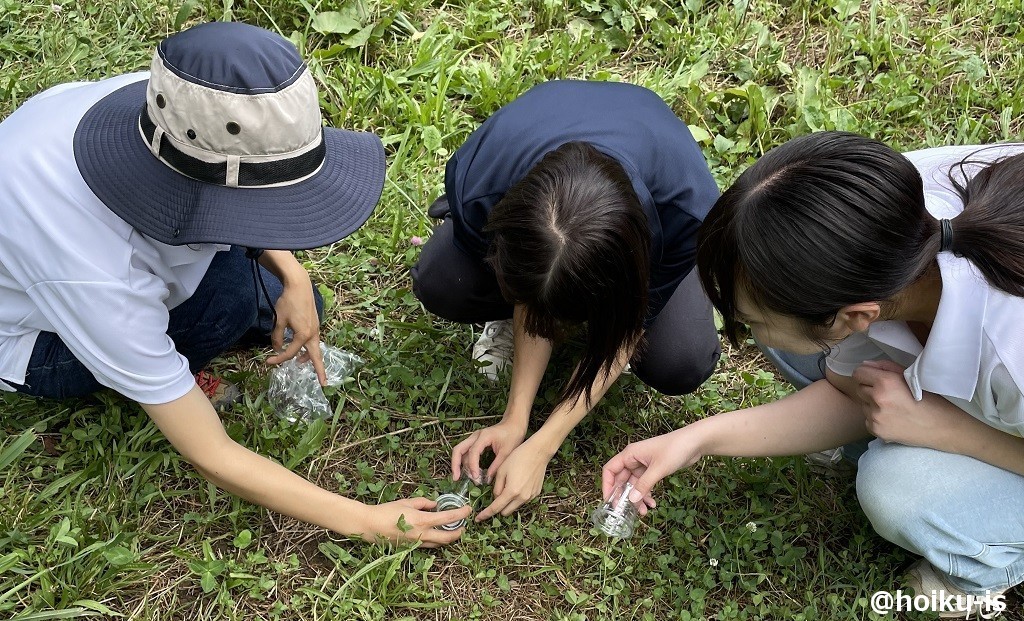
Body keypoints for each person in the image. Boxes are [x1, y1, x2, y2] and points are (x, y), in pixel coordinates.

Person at [0, 22, 469, 546]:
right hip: (35, 339)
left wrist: (292, 272)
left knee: (284, 299)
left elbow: (242, 183)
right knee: (231, 303)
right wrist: (366, 520)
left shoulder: (187, 101)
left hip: (103, 246)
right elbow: (213, 456)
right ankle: (139, 374)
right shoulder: (96, 271)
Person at [603, 132, 1024, 617]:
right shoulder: (876, 217)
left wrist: (949, 431)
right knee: (793, 335)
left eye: (747, 320)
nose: (734, 328)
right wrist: (693, 440)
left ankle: (985, 567)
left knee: (899, 486)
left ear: (858, 316)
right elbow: (851, 393)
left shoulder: (1012, 350)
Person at [411, 80, 721, 521]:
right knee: (443, 281)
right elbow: (535, 287)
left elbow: (627, 327)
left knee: (681, 358)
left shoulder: (689, 211)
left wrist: (543, 443)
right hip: (522, 163)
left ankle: (596, 311)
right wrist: (515, 420)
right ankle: (522, 307)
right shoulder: (482, 175)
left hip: (655, 188)